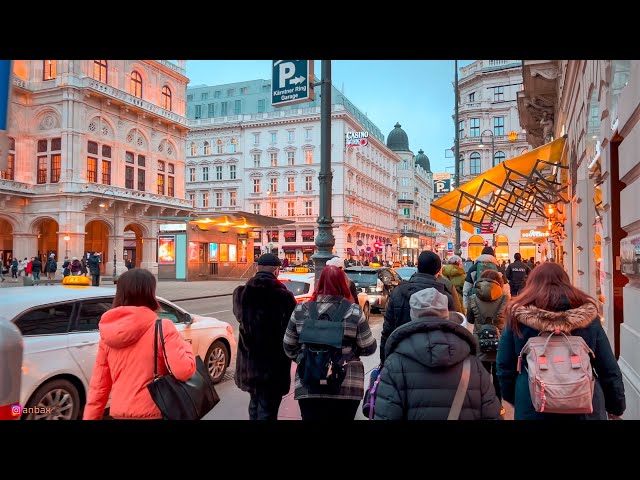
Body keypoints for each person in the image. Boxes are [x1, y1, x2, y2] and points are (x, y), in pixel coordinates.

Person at [496, 262, 626, 420]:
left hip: (533, 405)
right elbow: (607, 367)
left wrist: (519, 396)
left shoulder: (518, 317)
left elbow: (504, 367)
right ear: (566, 281)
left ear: (531, 283)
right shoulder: (588, 316)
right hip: (584, 404)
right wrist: (615, 406)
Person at [83, 268, 196, 420]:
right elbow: (184, 371)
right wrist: (186, 346)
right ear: (150, 293)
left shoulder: (107, 334)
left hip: (119, 412)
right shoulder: (162, 327)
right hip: (155, 411)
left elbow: (99, 386)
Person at [373, 288, 502, 420]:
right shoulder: (472, 364)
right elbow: (491, 414)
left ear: (413, 315)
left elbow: (386, 414)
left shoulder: (396, 363)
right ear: (446, 314)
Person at [283, 265, 377, 420]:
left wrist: (306, 358)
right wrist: (351, 352)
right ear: (344, 284)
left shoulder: (301, 309)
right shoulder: (354, 311)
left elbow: (288, 345)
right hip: (347, 385)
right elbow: (369, 347)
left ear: (319, 284)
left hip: (309, 383)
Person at [233, 253, 297, 420]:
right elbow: (292, 328)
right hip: (273, 367)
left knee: (254, 405)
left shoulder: (241, 294)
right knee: (268, 410)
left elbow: (241, 318)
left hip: (249, 365)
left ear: (257, 268)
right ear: (276, 271)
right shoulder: (284, 296)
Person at [380, 250, 454, 362]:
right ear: (438, 271)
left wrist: (384, 361)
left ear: (417, 266)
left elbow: (387, 331)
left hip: (402, 356)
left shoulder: (398, 292)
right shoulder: (445, 296)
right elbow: (453, 330)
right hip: (436, 358)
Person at [466, 270, 509, 406]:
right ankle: (498, 404)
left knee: (481, 375)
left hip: (479, 340)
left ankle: (483, 403)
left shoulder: (473, 298)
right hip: (500, 340)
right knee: (498, 375)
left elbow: (470, 320)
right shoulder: (505, 298)